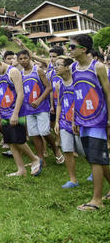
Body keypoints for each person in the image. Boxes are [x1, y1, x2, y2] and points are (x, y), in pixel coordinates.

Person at [68, 34, 110, 211]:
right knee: (96, 158)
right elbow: (77, 94)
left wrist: (109, 120)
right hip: (82, 119)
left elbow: (108, 94)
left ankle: (97, 200)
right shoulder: (73, 68)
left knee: (95, 159)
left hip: (98, 120)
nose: (69, 50)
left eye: (72, 47)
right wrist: (74, 118)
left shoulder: (98, 67)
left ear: (83, 49)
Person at [0, 54, 42, 177]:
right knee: (10, 141)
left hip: (16, 112)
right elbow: (1, 94)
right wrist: (0, 112)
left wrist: (15, 114)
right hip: (5, 113)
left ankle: (34, 159)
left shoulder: (13, 72)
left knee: (19, 140)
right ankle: (21, 169)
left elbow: (20, 94)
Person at [16, 49, 63, 167]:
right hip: (28, 109)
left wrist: (39, 100)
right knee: (34, 134)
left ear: (29, 58)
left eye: (25, 58)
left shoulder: (38, 71)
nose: (23, 61)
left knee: (44, 131)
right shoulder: (20, 74)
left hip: (42, 107)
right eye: (20, 59)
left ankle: (56, 149)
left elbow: (49, 87)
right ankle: (40, 158)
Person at [53, 56, 80, 188]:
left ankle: (95, 171)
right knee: (67, 150)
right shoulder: (59, 84)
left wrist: (77, 120)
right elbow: (59, 104)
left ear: (67, 67)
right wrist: (57, 121)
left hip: (79, 122)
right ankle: (73, 179)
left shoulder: (78, 82)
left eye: (59, 65)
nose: (55, 68)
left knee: (84, 151)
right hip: (64, 122)